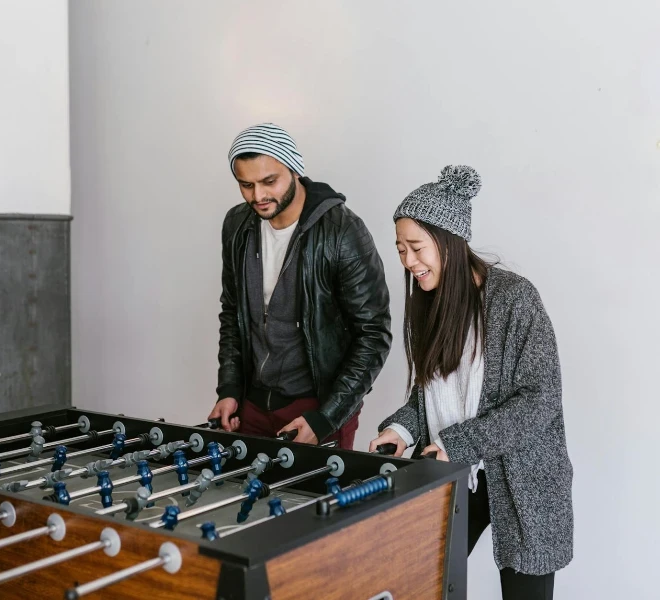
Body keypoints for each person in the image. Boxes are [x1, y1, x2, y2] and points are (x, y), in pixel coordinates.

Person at [369, 166, 573, 599]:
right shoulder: (430, 303)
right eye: (400, 249)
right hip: (457, 474)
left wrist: (458, 444)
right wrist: (400, 428)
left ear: (449, 241)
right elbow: (429, 392)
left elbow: (540, 400)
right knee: (417, 583)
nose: (408, 262)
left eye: (416, 248)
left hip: (523, 480)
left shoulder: (514, 298)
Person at [208, 123, 392, 448]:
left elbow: (373, 335)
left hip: (317, 411)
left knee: (315, 500)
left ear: (295, 170)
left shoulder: (343, 232)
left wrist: (326, 417)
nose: (258, 196)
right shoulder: (236, 225)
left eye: (269, 181)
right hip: (250, 407)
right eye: (245, 185)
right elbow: (232, 313)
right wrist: (230, 389)